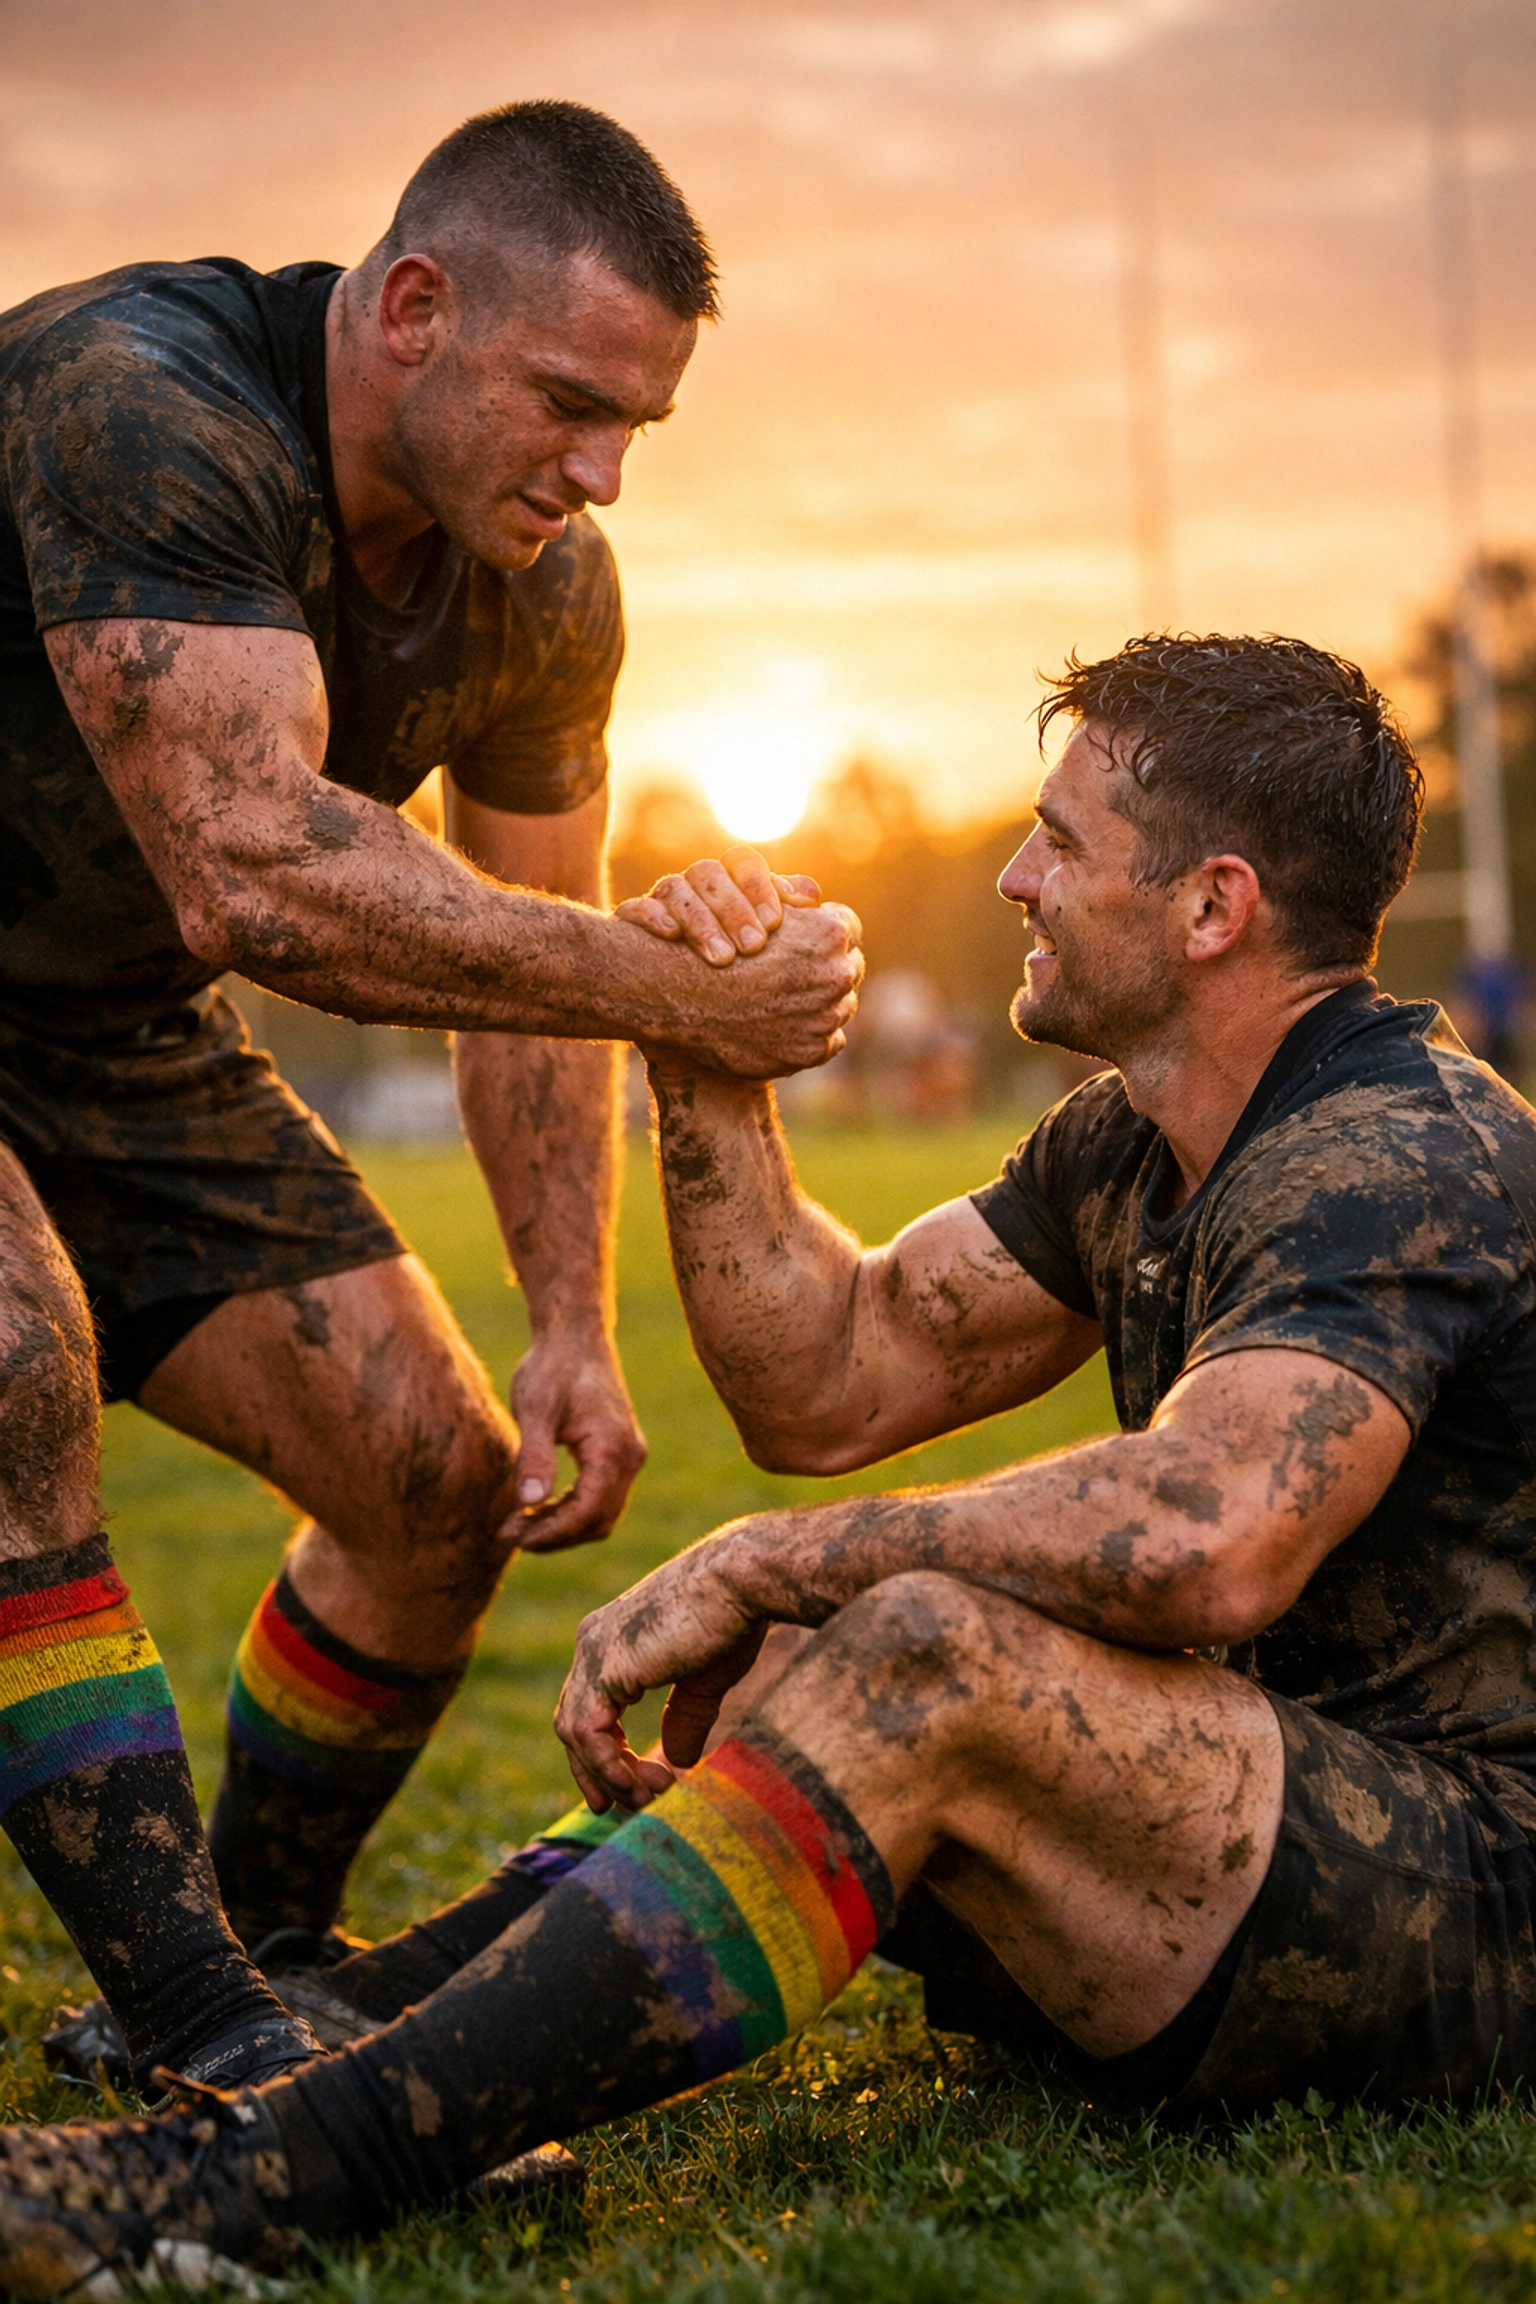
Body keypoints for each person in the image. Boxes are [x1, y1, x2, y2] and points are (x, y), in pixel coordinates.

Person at [15, 628, 1536, 2293]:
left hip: (1476, 1903)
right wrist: (703, 1046)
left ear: (1213, 906)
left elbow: (1211, 1532)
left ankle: (256, 2186)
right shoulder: (1135, 1140)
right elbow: (824, 1375)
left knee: (919, 1650)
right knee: (799, 1656)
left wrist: (764, 1555)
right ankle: (336, 2019)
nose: (1018, 877)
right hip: (1269, 1835)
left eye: (1061, 841)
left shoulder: (1398, 1147)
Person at [0, 98, 862, 2096]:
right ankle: (217, 2046)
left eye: (639, 424)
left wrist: (569, 1320)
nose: (604, 472)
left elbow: (524, 963)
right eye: (570, 403)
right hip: (151, 950)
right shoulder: (142, 403)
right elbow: (257, 870)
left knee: (436, 1484)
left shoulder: (547, 586)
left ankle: (253, 1956)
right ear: (413, 310)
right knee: (16, 1370)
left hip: (110, 1025)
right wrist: (683, 992)